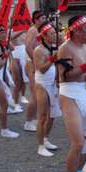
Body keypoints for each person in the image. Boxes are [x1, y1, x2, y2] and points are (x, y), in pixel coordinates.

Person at [56, 16, 86, 172]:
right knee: (78, 142)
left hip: (85, 92)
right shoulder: (65, 48)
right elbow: (64, 75)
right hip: (69, 94)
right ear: (76, 31)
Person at [32, 22, 61, 157]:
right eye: (51, 34)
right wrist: (52, 58)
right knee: (42, 116)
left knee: (53, 115)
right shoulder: (39, 50)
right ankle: (40, 146)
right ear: (44, 36)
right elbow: (41, 69)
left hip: (52, 83)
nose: (55, 36)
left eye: (55, 33)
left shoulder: (53, 47)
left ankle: (46, 138)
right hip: (42, 83)